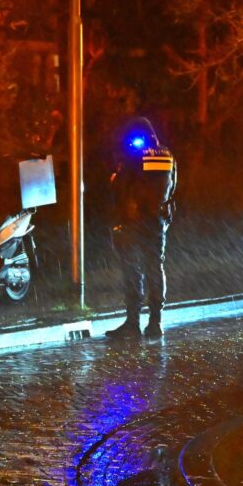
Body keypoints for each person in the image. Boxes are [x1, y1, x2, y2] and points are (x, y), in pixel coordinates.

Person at [106, 117, 177, 340]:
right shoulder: (167, 155)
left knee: (132, 269)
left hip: (131, 221)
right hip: (157, 221)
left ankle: (132, 323)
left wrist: (115, 177)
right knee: (155, 267)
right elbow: (173, 186)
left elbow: (121, 187)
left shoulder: (133, 156)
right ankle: (155, 322)